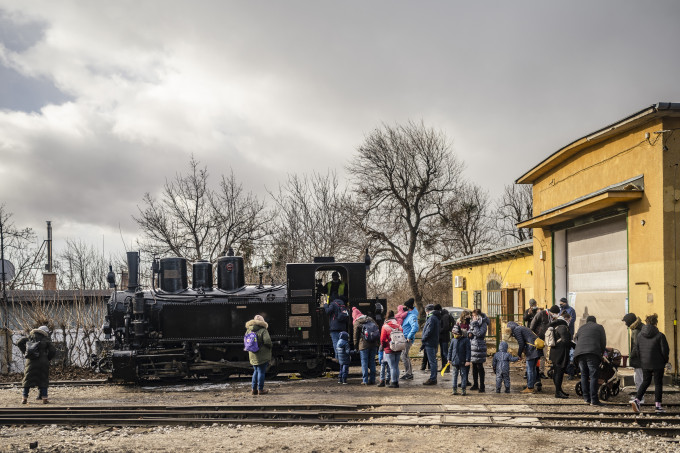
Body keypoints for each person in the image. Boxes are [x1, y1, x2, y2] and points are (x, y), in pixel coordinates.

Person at [631, 314, 670, 413]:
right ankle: (658, 406)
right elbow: (665, 351)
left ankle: (637, 400)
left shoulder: (640, 335)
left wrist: (642, 361)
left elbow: (637, 350)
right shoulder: (660, 335)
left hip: (645, 363)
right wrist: (665, 361)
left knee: (645, 382)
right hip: (658, 364)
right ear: (656, 323)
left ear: (647, 322)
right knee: (658, 383)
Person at [17, 325, 56, 404]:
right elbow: (53, 350)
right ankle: (44, 398)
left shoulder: (30, 337)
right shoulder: (46, 339)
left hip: (31, 361)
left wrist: (25, 352)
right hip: (43, 362)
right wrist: (47, 358)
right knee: (43, 379)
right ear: (45, 332)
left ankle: (24, 398)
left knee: (27, 379)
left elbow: (19, 342)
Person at [573, 315, 606, 406]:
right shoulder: (599, 327)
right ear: (595, 321)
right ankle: (594, 400)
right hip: (592, 353)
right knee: (593, 376)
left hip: (580, 354)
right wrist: (601, 354)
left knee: (584, 375)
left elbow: (576, 340)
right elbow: (603, 342)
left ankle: (586, 399)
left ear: (587, 322)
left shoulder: (581, 328)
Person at [505, 321, 543, 393]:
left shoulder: (516, 330)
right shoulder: (521, 328)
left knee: (530, 369)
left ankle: (530, 388)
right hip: (536, 348)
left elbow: (521, 343)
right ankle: (530, 384)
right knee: (533, 368)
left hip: (532, 350)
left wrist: (519, 354)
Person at [245, 315, 273, 395]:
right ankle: (260, 390)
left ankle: (254, 390)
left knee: (255, 371)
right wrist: (271, 346)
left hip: (252, 353)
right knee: (261, 371)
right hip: (262, 354)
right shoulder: (263, 330)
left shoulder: (248, 330)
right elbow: (267, 341)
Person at [549, 311, 573, 399]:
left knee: (557, 372)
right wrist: (573, 345)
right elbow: (565, 341)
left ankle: (559, 390)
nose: (569, 322)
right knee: (559, 373)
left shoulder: (556, 326)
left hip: (555, 352)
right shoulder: (563, 327)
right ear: (566, 319)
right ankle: (558, 392)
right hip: (560, 354)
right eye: (569, 320)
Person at [530, 305, 559, 379]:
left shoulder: (553, 318)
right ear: (551, 312)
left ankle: (541, 372)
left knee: (543, 356)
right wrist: (533, 336)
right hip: (537, 338)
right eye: (555, 313)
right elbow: (533, 324)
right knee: (534, 355)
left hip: (546, 339)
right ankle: (530, 372)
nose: (556, 315)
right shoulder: (541, 314)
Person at [353, 307, 380, 385]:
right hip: (373, 344)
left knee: (364, 362)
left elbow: (355, 336)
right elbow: (377, 329)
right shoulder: (370, 319)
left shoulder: (357, 322)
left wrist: (355, 346)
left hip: (363, 345)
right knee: (372, 362)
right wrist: (378, 343)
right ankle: (372, 379)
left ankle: (365, 380)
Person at [622, 312, 644, 398]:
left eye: (626, 322)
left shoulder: (635, 331)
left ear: (629, 321)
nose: (625, 324)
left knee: (638, 379)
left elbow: (635, 346)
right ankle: (640, 396)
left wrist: (632, 357)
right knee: (640, 378)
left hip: (638, 359)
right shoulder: (640, 328)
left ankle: (640, 398)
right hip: (642, 358)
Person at [379, 310, 402, 388]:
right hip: (398, 347)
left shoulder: (385, 326)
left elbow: (382, 339)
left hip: (389, 349)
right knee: (396, 366)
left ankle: (393, 382)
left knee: (392, 366)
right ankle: (397, 381)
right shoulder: (398, 325)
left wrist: (385, 346)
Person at [469, 309, 490, 392]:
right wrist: (469, 333)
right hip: (473, 346)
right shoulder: (473, 323)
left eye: (474, 316)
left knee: (479, 366)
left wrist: (474, 325)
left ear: (478, 316)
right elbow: (470, 331)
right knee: (473, 366)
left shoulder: (483, 323)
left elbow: (480, 334)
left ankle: (482, 386)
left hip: (479, 346)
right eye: (472, 316)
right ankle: (475, 384)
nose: (473, 317)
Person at [447, 324, 471, 395]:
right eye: (453, 334)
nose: (454, 335)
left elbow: (468, 351)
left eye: (455, 334)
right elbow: (450, 350)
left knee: (463, 375)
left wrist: (467, 360)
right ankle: (454, 389)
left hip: (463, 361)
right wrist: (449, 358)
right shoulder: (453, 340)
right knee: (454, 375)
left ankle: (463, 389)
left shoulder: (465, 340)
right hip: (454, 361)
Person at [420, 304, 441, 385]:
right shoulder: (435, 317)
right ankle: (433, 377)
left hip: (430, 342)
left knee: (432, 361)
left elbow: (429, 330)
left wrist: (424, 338)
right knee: (433, 361)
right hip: (433, 341)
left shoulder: (431, 318)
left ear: (427, 311)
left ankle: (433, 378)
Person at [400, 298, 419, 380]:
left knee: (404, 356)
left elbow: (415, 327)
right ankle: (409, 373)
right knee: (405, 356)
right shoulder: (408, 314)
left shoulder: (412, 316)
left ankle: (408, 373)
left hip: (407, 339)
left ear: (408, 307)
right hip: (405, 338)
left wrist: (409, 337)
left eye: (405, 306)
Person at [438, 305, 452, 373]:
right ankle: (444, 367)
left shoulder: (444, 316)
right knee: (443, 353)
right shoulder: (445, 315)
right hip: (443, 337)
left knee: (444, 353)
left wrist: (440, 330)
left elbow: (445, 326)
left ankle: (446, 367)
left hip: (444, 337)